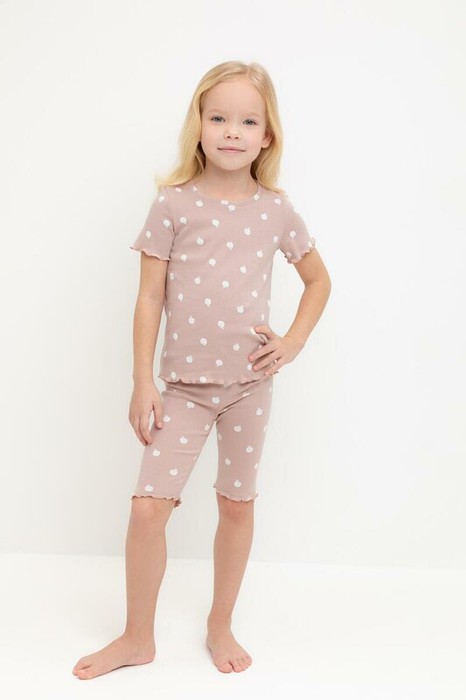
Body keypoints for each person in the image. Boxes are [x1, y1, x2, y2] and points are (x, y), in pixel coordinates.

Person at [72, 60, 331, 680]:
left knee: (236, 504)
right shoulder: (172, 204)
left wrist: (292, 342)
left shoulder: (276, 210)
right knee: (147, 510)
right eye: (218, 118)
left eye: (247, 121)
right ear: (199, 127)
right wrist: (142, 381)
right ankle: (137, 636)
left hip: (250, 387)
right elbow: (149, 298)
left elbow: (318, 280)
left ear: (267, 136)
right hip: (183, 390)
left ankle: (220, 623)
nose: (232, 131)